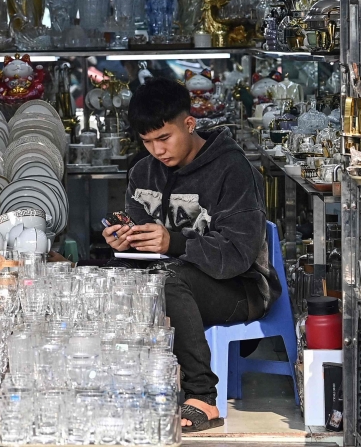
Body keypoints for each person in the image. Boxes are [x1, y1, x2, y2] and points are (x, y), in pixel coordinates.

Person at [102, 77, 281, 432]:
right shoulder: (142, 172)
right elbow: (140, 239)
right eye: (147, 142)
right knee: (111, 278)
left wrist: (175, 242)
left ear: (189, 123)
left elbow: (238, 254)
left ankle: (202, 396)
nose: (157, 150)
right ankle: (130, 382)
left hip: (239, 287)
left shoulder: (232, 169)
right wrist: (124, 240)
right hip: (173, 282)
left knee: (166, 281)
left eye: (164, 138)